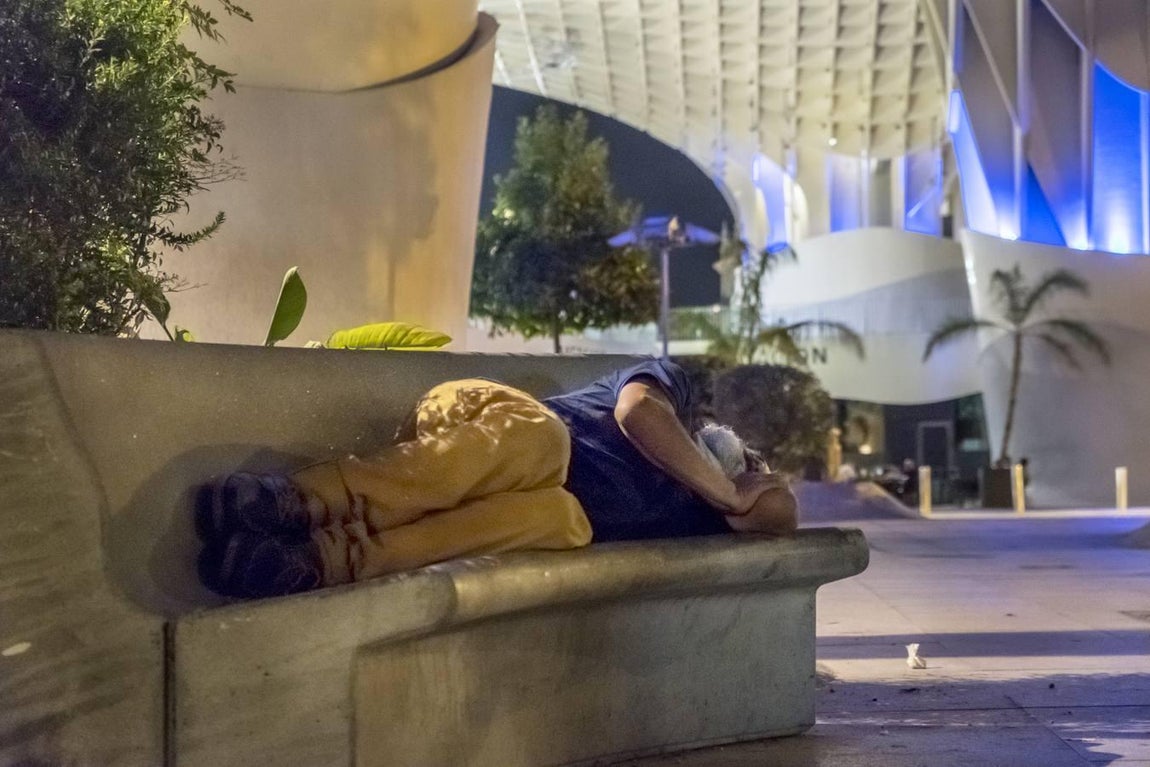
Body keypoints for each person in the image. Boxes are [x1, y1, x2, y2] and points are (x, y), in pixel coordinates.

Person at [195, 359, 798, 599]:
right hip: (484, 427)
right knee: (545, 443)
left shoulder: (697, 513)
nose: (748, 463)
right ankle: (302, 500)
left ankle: (319, 563)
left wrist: (751, 488)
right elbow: (637, 413)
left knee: (562, 520)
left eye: (755, 462)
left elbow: (780, 520)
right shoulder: (674, 391)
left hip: (515, 507)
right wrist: (723, 488)